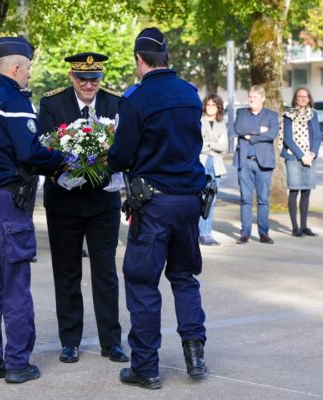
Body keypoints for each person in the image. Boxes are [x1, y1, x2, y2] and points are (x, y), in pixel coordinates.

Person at [107, 27, 207, 390]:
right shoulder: (190, 93)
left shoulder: (136, 99)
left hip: (154, 204)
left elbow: (121, 155)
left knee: (142, 281)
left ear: (139, 59)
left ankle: (146, 367)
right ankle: (195, 356)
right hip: (190, 200)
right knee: (184, 277)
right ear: (165, 56)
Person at [0, 36, 64, 384]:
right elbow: (29, 151)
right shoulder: (13, 99)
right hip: (5, 202)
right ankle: (18, 363)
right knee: (16, 284)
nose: (29, 75)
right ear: (16, 67)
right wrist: (64, 159)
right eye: (28, 68)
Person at [37, 52, 128, 364]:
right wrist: (59, 173)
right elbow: (43, 147)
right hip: (64, 200)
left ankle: (111, 342)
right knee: (66, 273)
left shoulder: (115, 103)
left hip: (103, 200)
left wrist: (115, 171)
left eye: (94, 79)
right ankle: (70, 341)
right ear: (71, 77)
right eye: (82, 79)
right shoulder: (52, 102)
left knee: (106, 273)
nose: (89, 85)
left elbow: (125, 145)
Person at [233, 85, 279, 244]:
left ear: (263, 98)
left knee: (263, 199)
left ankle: (263, 233)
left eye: (255, 97)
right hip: (245, 161)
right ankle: (245, 233)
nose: (251, 100)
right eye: (250, 97)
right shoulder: (241, 113)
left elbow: (272, 134)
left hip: (264, 163)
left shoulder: (271, 115)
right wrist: (260, 131)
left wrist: (251, 136)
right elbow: (239, 129)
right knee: (245, 199)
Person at [281, 87, 322, 237]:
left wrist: (311, 154)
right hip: (293, 157)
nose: (303, 99)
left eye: (305, 96)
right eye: (300, 96)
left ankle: (304, 226)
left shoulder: (313, 114)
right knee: (294, 191)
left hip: (310, 157)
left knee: (306, 191)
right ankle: (295, 228)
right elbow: (287, 138)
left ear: (309, 98)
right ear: (295, 99)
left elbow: (317, 136)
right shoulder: (288, 114)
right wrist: (301, 155)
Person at [198, 94, 228, 246]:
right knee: (200, 199)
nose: (210, 107)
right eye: (208, 104)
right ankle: (202, 233)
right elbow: (198, 144)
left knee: (212, 200)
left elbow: (224, 147)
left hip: (216, 165)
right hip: (201, 163)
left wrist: (208, 144)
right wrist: (213, 144)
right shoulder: (198, 121)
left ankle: (208, 233)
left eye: (213, 104)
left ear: (218, 107)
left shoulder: (221, 123)